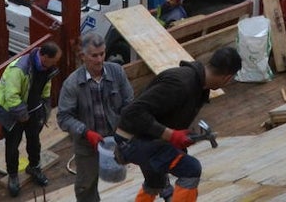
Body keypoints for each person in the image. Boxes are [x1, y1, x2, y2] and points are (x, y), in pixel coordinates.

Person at [116, 46, 242, 202]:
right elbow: (132, 112)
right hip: (130, 141)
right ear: (227, 78)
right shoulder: (181, 83)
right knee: (190, 169)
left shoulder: (199, 87)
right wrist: (170, 134)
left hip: (146, 140)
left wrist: (177, 138)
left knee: (156, 181)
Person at [57, 32, 135, 202]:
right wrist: (85, 132)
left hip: (115, 139)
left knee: (118, 176)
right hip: (87, 144)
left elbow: (129, 103)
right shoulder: (72, 84)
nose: (99, 60)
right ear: (82, 56)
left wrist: (123, 131)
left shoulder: (117, 72)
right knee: (86, 185)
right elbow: (63, 117)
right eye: (94, 55)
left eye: (102, 54)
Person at [0, 41, 62, 197]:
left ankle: (34, 167)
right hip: (11, 112)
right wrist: (22, 116)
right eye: (54, 61)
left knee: (34, 141)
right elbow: (11, 96)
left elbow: (45, 87)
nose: (55, 64)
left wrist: (45, 106)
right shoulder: (19, 69)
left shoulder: (46, 68)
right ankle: (13, 176)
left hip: (32, 109)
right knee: (12, 146)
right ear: (44, 56)